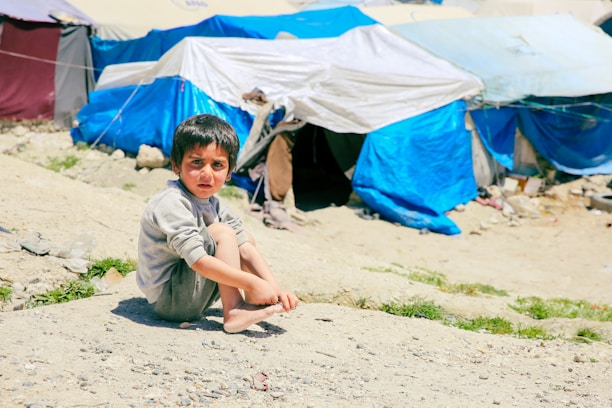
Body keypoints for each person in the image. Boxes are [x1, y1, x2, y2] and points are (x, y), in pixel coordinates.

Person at [136, 114, 299, 333]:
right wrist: (250, 282)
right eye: (196, 162)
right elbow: (199, 262)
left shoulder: (214, 203)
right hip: (170, 301)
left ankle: (254, 302)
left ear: (230, 171)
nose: (206, 173)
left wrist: (275, 288)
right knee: (222, 233)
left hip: (190, 294)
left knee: (244, 238)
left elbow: (245, 248)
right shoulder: (171, 202)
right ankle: (233, 311)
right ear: (176, 165)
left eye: (217, 165)